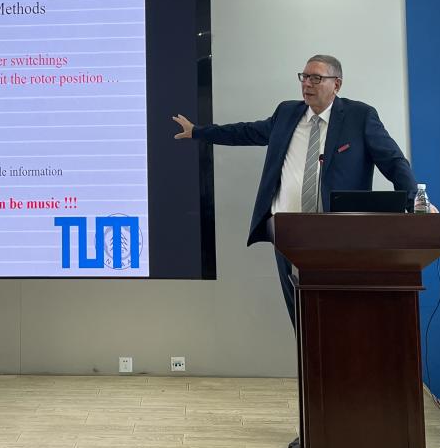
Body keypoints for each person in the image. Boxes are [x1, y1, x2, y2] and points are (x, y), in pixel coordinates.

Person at [172, 54, 419, 328]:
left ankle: (334, 355)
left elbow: (393, 162)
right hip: (287, 230)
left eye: (316, 78)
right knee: (300, 312)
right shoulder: (287, 113)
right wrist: (198, 132)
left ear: (337, 84)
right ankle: (308, 355)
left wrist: (414, 203)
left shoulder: (359, 116)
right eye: (304, 77)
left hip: (338, 233)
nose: (307, 84)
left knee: (337, 313)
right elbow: (246, 132)